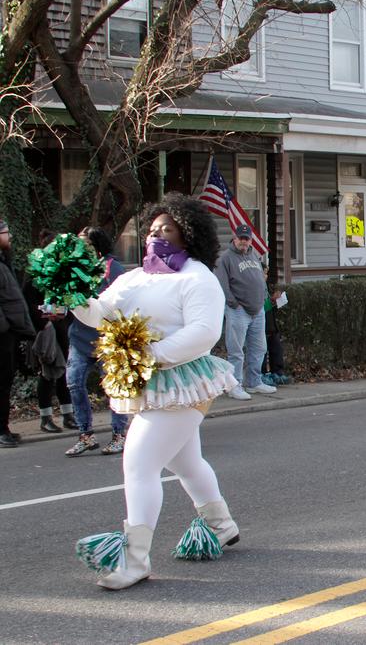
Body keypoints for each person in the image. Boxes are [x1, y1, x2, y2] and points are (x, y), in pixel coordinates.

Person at [73, 196, 240, 589]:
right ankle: (221, 524)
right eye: (151, 230)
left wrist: (153, 355)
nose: (156, 236)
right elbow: (100, 314)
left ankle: (134, 559)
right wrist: (74, 298)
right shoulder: (134, 277)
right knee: (185, 462)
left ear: (188, 233)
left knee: (139, 463)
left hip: (186, 380)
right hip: (149, 381)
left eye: (166, 229)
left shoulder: (198, 277)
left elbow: (204, 333)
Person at [64, 227, 130, 457]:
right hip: (79, 338)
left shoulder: (114, 269)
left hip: (106, 340)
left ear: (98, 246)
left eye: (87, 245)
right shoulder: (73, 268)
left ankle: (119, 434)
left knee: (114, 388)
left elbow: (121, 304)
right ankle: (85, 435)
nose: (81, 249)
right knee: (73, 382)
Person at [22, 230, 76, 434]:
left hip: (63, 328)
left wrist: (66, 309)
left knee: (63, 371)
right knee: (47, 373)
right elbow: (29, 303)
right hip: (45, 330)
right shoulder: (34, 273)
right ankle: (45, 417)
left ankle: (67, 415)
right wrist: (50, 313)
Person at [215, 224, 275, 400]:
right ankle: (235, 385)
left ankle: (254, 382)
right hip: (238, 311)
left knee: (259, 348)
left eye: (246, 238)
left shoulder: (253, 255)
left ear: (250, 240)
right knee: (236, 350)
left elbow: (259, 279)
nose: (243, 241)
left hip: (257, 310)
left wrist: (263, 297)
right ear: (234, 239)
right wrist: (233, 303)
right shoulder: (225, 258)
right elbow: (222, 285)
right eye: (240, 238)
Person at [0, 220, 36, 448]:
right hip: (3, 335)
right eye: (5, 231)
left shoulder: (4, 261)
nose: (9, 235)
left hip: (9, 334)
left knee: (4, 383)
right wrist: (5, 327)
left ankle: (4, 427)